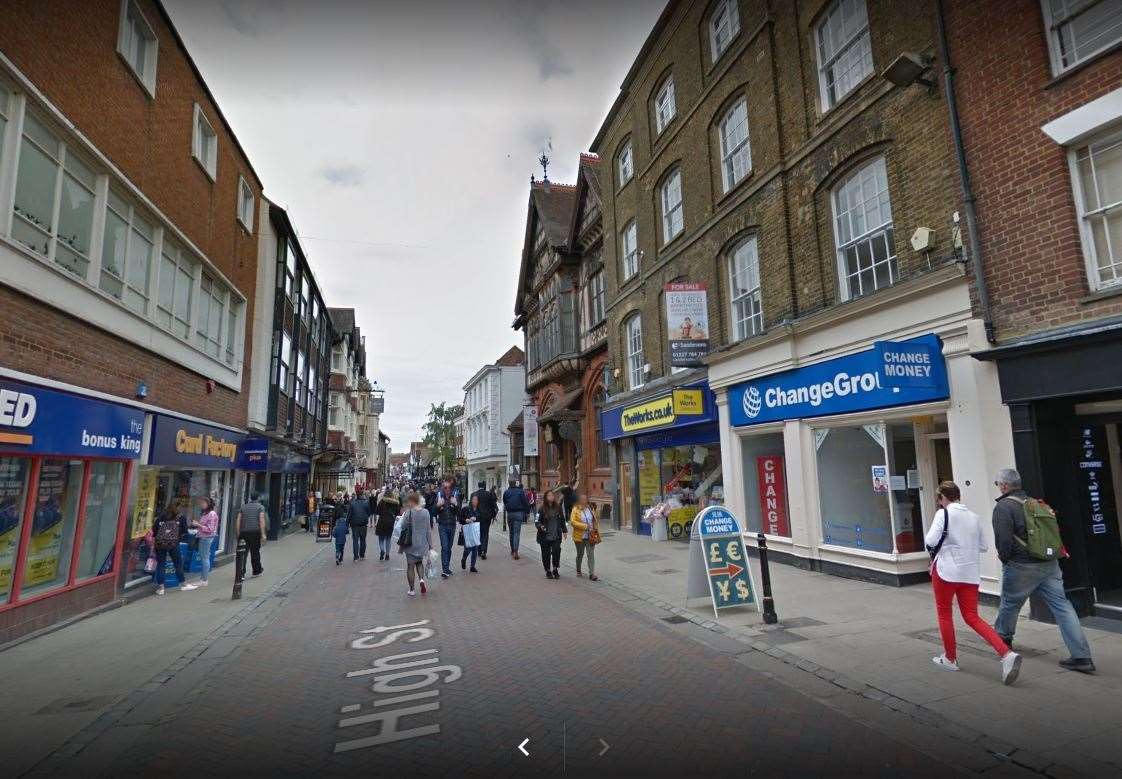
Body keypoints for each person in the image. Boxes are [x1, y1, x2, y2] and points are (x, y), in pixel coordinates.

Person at [991, 468, 1095, 674]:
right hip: (1050, 564)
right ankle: (1082, 657)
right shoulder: (1036, 503)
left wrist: (1005, 559)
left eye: (997, 484)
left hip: (1021, 565)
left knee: (1010, 603)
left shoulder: (1004, 506)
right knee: (1063, 607)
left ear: (1004, 485)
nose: (998, 487)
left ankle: (1003, 641)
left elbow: (1003, 541)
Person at [925, 481, 1022, 684]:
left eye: (939, 499)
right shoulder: (974, 517)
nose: (939, 503)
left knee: (944, 614)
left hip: (946, 572)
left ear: (943, 497)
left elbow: (930, 541)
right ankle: (1006, 654)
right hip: (970, 573)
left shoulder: (942, 514)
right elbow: (984, 546)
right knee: (972, 616)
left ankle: (950, 658)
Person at [400, 491, 433, 596]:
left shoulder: (409, 513)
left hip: (410, 543)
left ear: (412, 501)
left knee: (410, 566)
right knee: (419, 563)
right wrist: (430, 545)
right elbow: (428, 530)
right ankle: (422, 580)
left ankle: (412, 590)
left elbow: (403, 526)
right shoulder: (426, 512)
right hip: (422, 544)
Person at [153, 504, 190, 595]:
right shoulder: (181, 518)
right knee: (178, 563)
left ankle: (161, 588)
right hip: (173, 544)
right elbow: (185, 531)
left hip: (160, 544)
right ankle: (183, 584)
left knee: (161, 564)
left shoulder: (160, 518)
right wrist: (177, 537)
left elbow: (154, 530)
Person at [187, 496, 219, 588]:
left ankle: (204, 580)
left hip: (207, 538)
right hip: (203, 537)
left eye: (203, 503)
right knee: (204, 557)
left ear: (208, 504)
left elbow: (210, 529)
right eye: (200, 503)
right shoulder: (205, 513)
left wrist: (198, 525)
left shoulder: (211, 514)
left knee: (205, 558)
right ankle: (203, 579)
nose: (201, 505)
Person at [234, 492, 267, 578]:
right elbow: (261, 520)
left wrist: (238, 533)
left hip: (243, 533)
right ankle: (256, 571)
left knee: (242, 554)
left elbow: (238, 520)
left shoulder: (243, 507)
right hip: (255, 533)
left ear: (250, 498)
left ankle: (240, 573)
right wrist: (263, 534)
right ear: (258, 498)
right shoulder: (260, 507)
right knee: (255, 552)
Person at [536, 489, 567, 579]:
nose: (551, 497)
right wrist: (540, 526)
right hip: (545, 536)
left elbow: (562, 520)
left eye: (552, 495)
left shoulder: (558, 507)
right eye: (549, 496)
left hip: (556, 534)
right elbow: (537, 521)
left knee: (556, 551)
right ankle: (548, 570)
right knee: (545, 554)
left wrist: (564, 530)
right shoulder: (541, 508)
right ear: (546, 498)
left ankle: (555, 568)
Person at [432, 479, 460, 578]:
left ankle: (447, 567)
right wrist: (438, 505)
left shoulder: (455, 497)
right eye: (445, 488)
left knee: (449, 548)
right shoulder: (439, 497)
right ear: (443, 488)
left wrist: (456, 504)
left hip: (452, 525)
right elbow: (433, 512)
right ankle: (445, 569)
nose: (447, 489)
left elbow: (459, 513)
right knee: (444, 547)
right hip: (442, 525)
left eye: (449, 488)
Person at [569, 493, 599, 581]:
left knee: (590, 554)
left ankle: (592, 573)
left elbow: (595, 520)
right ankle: (578, 569)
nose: (584, 501)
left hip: (591, 536)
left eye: (586, 499)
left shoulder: (590, 509)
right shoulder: (575, 510)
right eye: (582, 499)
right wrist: (585, 526)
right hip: (579, 536)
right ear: (579, 501)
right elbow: (572, 522)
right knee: (580, 554)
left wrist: (595, 530)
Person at [502, 478, 530, 559]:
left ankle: (512, 549)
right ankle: (515, 551)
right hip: (518, 513)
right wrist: (527, 511)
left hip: (510, 514)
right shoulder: (520, 491)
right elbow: (525, 502)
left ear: (509, 483)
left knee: (511, 532)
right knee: (516, 533)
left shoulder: (506, 492)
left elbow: (504, 501)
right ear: (515, 483)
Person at [472, 481, 497, 560]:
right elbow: (493, 506)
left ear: (478, 485)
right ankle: (483, 551)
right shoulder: (488, 494)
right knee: (485, 534)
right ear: (485, 486)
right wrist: (493, 515)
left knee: (478, 533)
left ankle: (479, 550)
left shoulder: (474, 494)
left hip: (477, 517)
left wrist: (470, 516)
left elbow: (471, 506)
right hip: (486, 517)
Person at [347, 486, 372, 562]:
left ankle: (356, 557)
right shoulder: (366, 503)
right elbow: (369, 513)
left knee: (355, 540)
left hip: (354, 525)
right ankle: (362, 555)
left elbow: (349, 514)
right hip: (363, 524)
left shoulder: (352, 503)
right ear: (362, 495)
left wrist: (346, 523)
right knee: (363, 540)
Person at [374, 489, 401, 561]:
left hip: (382, 521)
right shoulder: (395, 503)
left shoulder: (382, 501)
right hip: (390, 522)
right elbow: (398, 512)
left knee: (381, 538)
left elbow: (377, 511)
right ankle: (387, 555)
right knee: (388, 539)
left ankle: (382, 550)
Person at [459, 494, 483, 573]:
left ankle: (472, 566)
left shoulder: (479, 509)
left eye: (476, 500)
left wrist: (476, 518)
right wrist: (466, 520)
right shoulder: (466, 509)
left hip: (475, 531)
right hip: (467, 531)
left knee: (475, 548)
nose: (475, 501)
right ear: (471, 500)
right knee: (468, 548)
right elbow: (460, 518)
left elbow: (482, 518)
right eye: (474, 500)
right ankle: (464, 559)